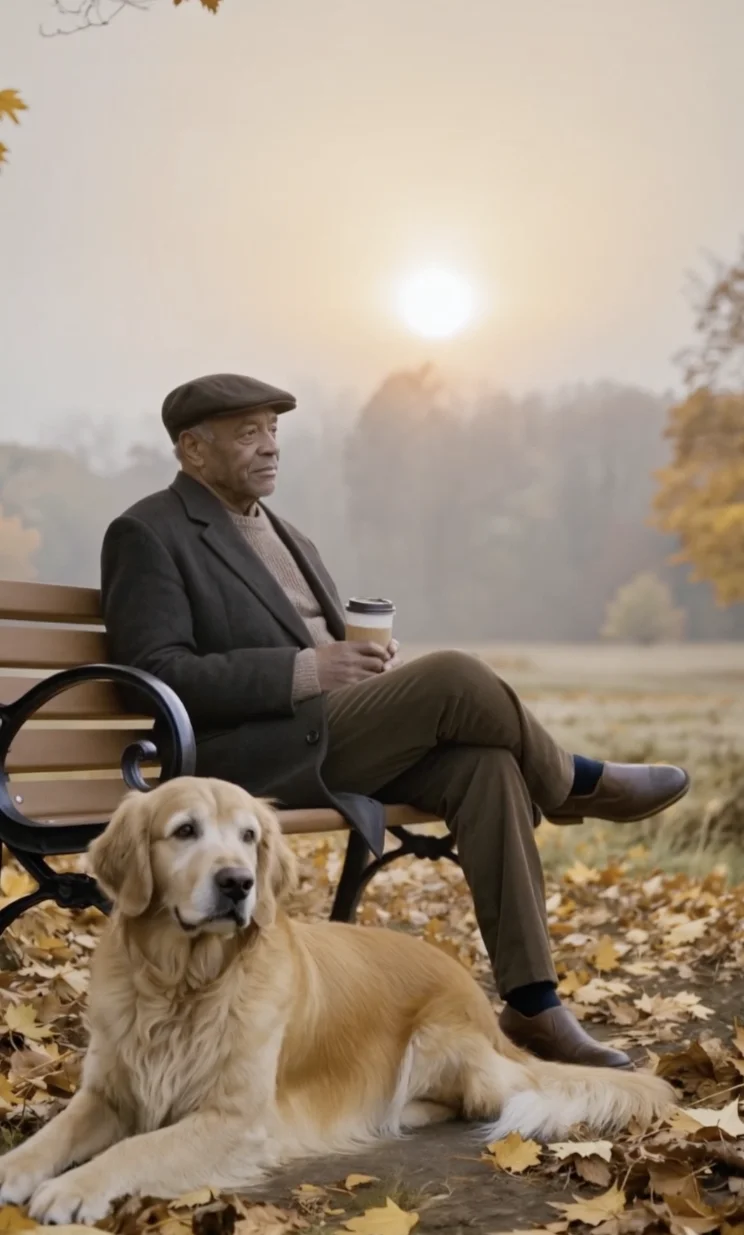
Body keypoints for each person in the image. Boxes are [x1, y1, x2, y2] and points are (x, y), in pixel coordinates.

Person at [101, 373, 690, 1069]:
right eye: (248, 433)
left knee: (488, 766)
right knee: (454, 675)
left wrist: (365, 664)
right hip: (244, 763)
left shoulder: (291, 536)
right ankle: (569, 783)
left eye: (274, 430)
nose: (270, 447)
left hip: (330, 734)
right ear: (193, 449)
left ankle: (533, 1004)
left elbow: (320, 645)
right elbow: (157, 672)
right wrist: (308, 669)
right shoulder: (149, 532)